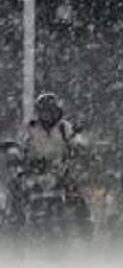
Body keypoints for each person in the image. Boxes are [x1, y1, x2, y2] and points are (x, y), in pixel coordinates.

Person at [12, 93, 92, 231]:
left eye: (49, 111)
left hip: (59, 171)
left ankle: (85, 229)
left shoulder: (63, 127)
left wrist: (79, 147)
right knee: (17, 196)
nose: (46, 115)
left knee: (76, 196)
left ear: (56, 111)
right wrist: (17, 159)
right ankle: (14, 230)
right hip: (34, 172)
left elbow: (75, 141)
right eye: (42, 111)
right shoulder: (31, 128)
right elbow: (20, 146)